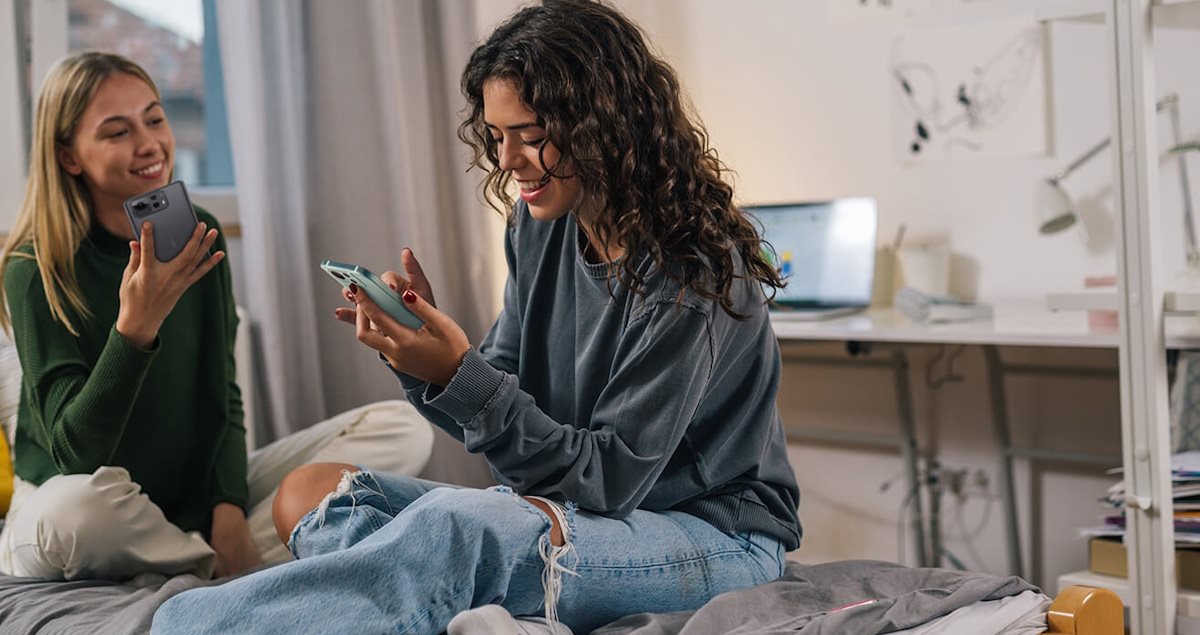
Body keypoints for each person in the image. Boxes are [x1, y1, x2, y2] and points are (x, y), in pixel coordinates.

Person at [153, 1, 800, 632]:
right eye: (497, 135)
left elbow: (610, 480)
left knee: (462, 530)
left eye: (533, 137)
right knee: (311, 493)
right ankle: (474, 610)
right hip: (565, 510)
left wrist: (463, 373)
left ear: (607, 124)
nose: (508, 160)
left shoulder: (692, 270)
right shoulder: (541, 223)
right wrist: (426, 359)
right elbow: (506, 387)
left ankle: (190, 626)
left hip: (715, 534)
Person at [0, 52, 434, 582]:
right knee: (72, 516)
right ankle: (225, 566)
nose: (149, 144)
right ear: (69, 157)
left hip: (187, 500)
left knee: (402, 428)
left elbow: (222, 394)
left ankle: (212, 550)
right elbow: (74, 455)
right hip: (79, 500)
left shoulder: (196, 234)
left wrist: (227, 507)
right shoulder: (36, 265)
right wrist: (134, 330)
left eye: (154, 119)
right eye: (117, 132)